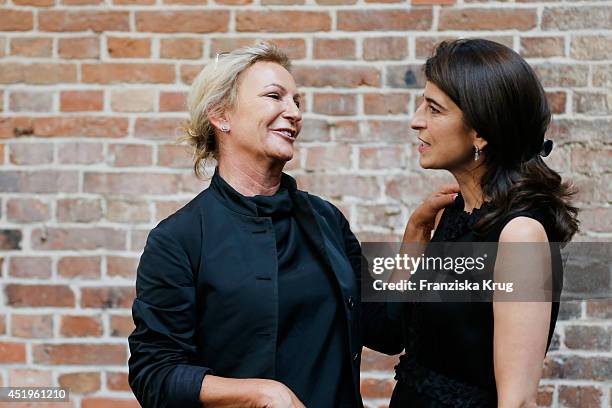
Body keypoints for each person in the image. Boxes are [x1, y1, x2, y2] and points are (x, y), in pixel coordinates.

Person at [127, 41, 448, 408]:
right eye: (274, 96)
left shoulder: (328, 220)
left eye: (297, 102)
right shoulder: (177, 239)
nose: (293, 112)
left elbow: (387, 331)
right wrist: (261, 393)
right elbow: (154, 374)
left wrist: (416, 236)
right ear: (221, 116)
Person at [384, 39, 580, 407]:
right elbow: (389, 331)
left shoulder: (519, 235)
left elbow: (517, 401)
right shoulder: (454, 215)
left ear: (481, 133)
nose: (415, 120)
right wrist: (413, 237)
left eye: (434, 109)